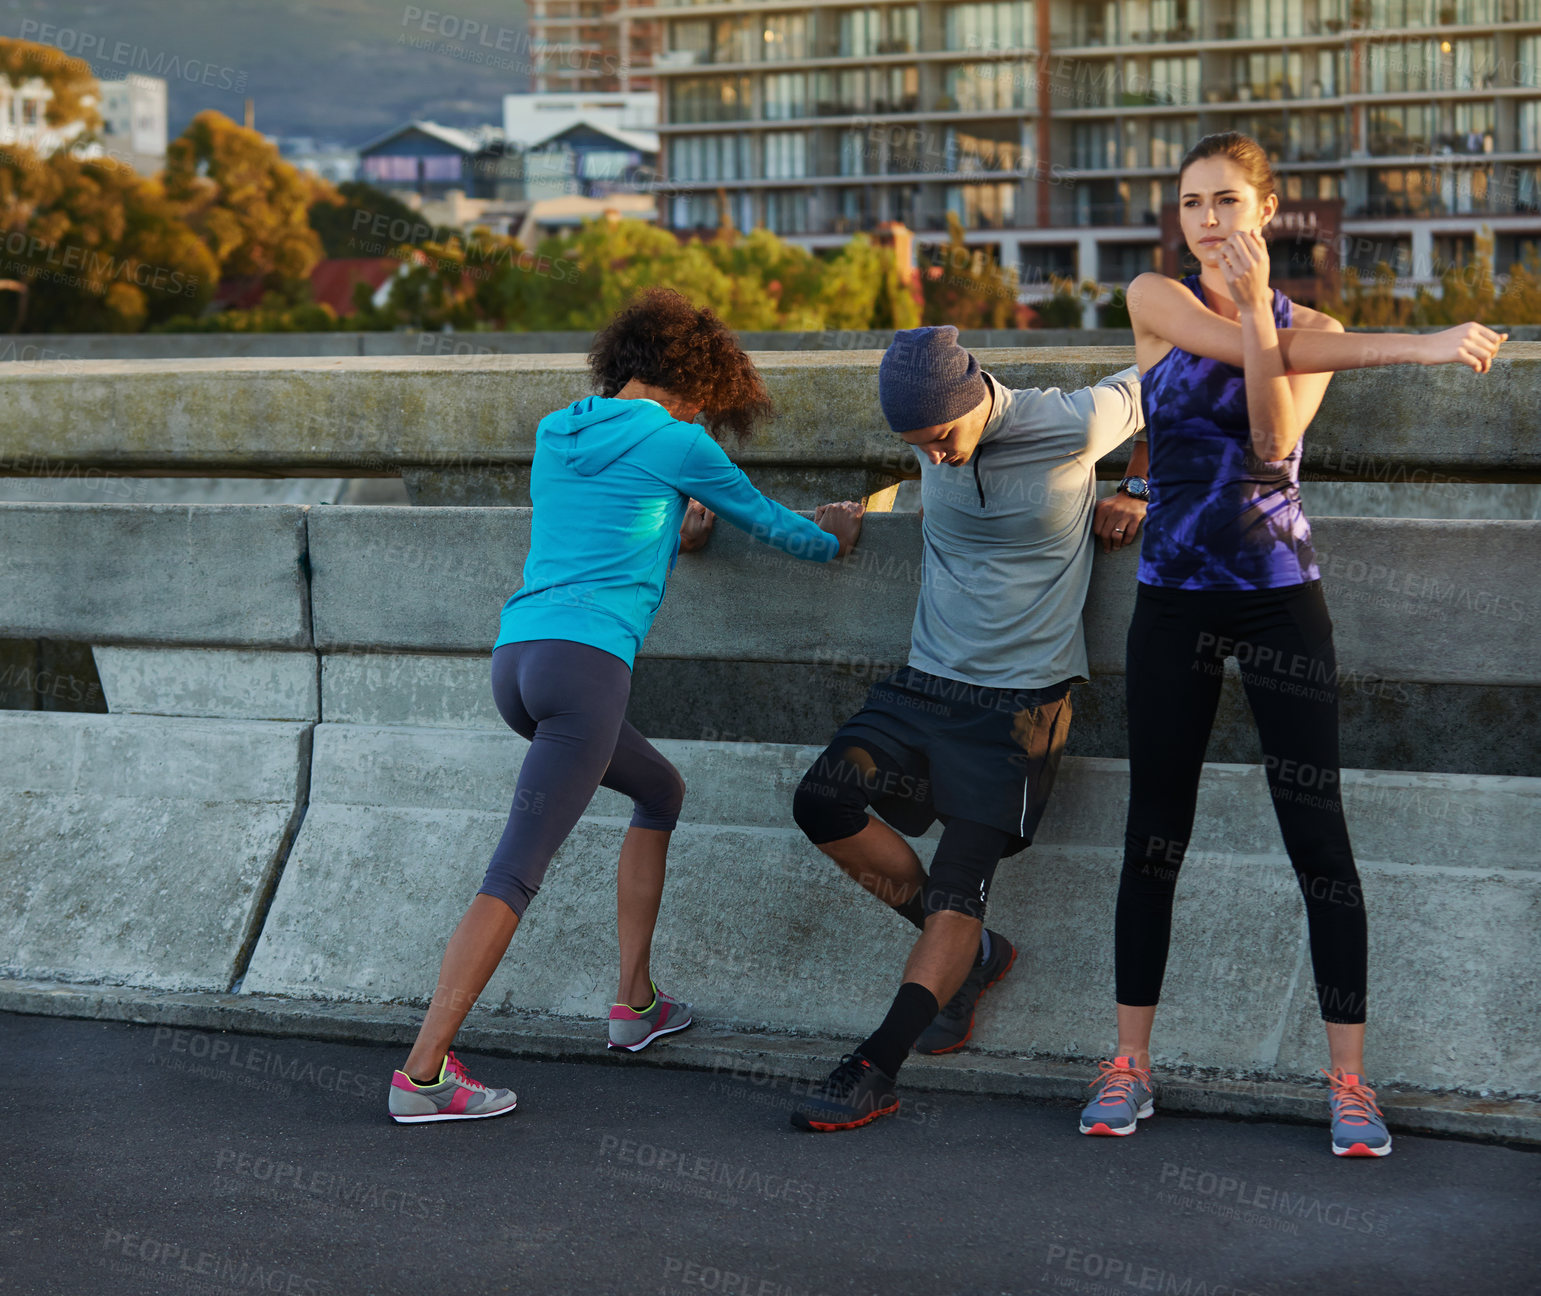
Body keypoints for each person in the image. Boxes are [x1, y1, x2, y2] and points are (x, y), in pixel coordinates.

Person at [1076, 131, 1507, 1157]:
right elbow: (1239, 352)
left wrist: (1272, 311)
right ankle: (1128, 1063)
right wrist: (1413, 345)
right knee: (1153, 835)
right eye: (1191, 205)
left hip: (1278, 597)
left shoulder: (1310, 326)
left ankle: (1347, 1081)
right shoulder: (1155, 300)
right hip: (1172, 600)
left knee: (1317, 841)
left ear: (1265, 210)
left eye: (1227, 202)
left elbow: (1271, 438)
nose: (1208, 222)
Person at [387, 287, 866, 1124]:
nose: (706, 418)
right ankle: (422, 1074)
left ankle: (634, 1004)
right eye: (709, 405)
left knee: (660, 790)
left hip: (519, 660)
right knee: (513, 872)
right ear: (694, 385)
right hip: (585, 672)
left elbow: (603, 521)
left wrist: (676, 525)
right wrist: (838, 530)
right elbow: (785, 531)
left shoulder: (556, 426)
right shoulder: (677, 439)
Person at [785, 324, 1149, 1132]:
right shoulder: (928, 438)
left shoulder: (1073, 422)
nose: (936, 456)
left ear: (975, 396)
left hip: (1018, 706)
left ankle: (876, 1067)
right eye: (917, 446)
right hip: (925, 681)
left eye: (942, 437)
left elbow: (1173, 376)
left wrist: (1136, 487)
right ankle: (971, 954)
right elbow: (902, 460)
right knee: (822, 801)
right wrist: (850, 512)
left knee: (959, 883)